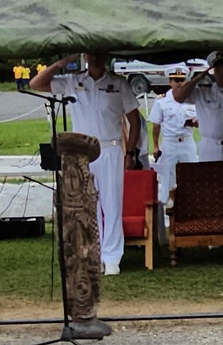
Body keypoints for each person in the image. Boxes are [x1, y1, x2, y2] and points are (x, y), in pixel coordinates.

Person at [30, 52, 142, 275]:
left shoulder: (118, 84)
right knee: (85, 206)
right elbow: (36, 84)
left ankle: (111, 257)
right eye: (90, 54)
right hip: (82, 149)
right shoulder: (74, 81)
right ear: (85, 57)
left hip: (110, 148)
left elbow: (134, 120)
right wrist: (60, 63)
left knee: (111, 205)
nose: (95, 58)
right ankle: (92, 254)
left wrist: (130, 152)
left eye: (98, 54)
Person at [171, 51, 223, 180]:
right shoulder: (203, 92)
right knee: (209, 187)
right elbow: (178, 97)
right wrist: (197, 78)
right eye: (218, 68)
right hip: (210, 148)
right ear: (213, 70)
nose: (222, 71)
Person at [148, 69, 198, 204]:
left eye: (182, 80)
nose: (179, 84)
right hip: (170, 142)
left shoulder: (191, 99)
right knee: (167, 176)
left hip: (187, 141)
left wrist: (194, 123)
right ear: (170, 82)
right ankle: (166, 207)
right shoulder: (162, 100)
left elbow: (200, 121)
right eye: (176, 80)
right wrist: (156, 145)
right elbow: (156, 125)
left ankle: (189, 206)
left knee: (190, 176)